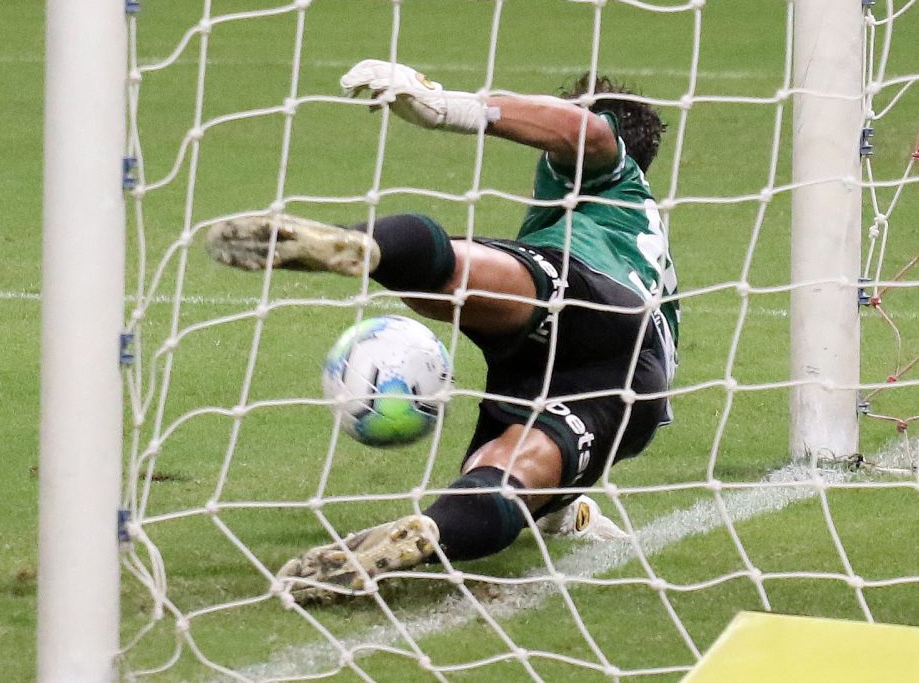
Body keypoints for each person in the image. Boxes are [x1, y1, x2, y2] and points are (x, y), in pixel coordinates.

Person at [205, 60, 679, 602]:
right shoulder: (649, 242)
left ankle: (366, 246)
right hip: (632, 391)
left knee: (459, 272)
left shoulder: (612, 185)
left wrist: (450, 107)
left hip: (596, 297)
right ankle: (433, 531)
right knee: (497, 477)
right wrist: (566, 508)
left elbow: (587, 131)